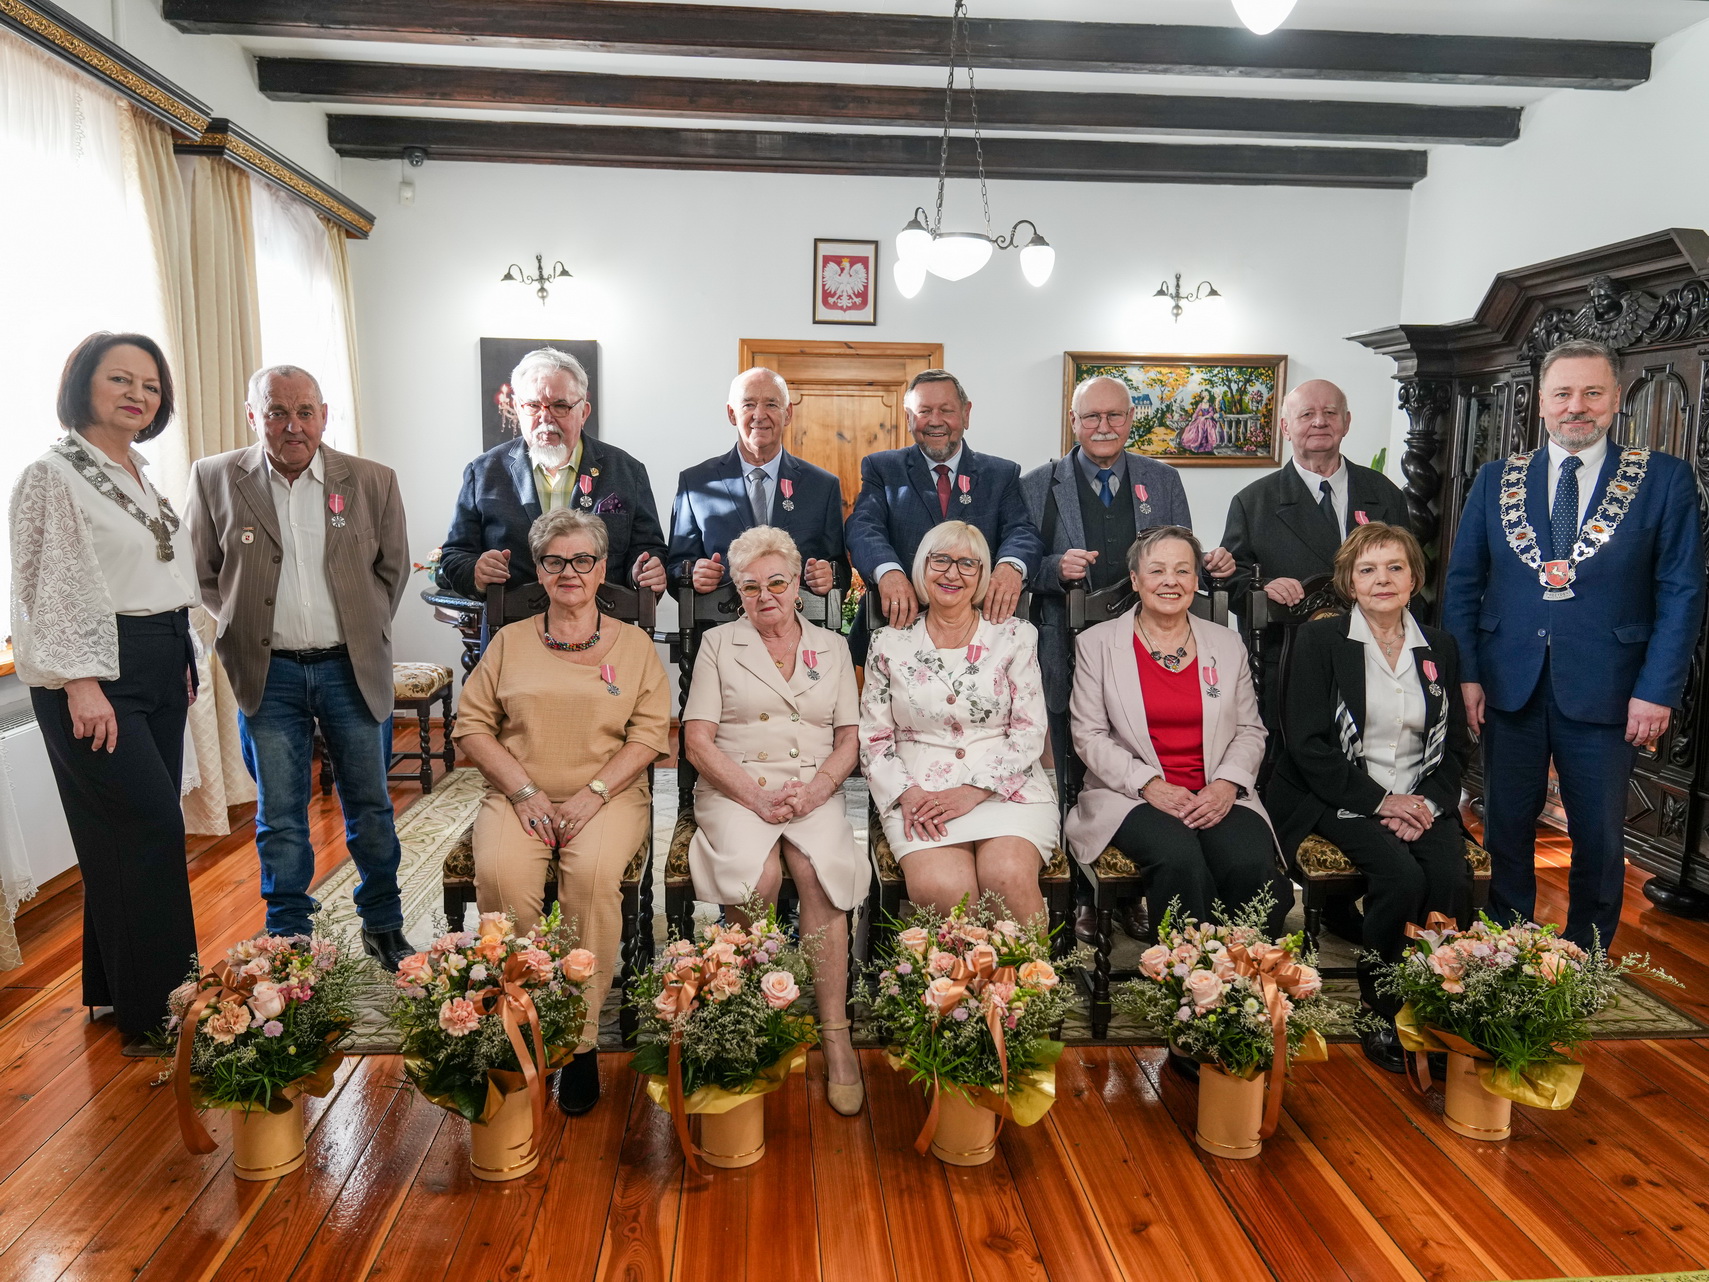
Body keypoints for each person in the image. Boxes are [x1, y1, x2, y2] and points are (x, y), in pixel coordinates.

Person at [1443, 338, 1705, 951]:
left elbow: (1683, 594)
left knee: (1600, 835)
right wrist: (1469, 675)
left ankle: (1586, 955)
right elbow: (1461, 586)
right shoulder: (1495, 480)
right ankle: (1504, 949)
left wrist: (1657, 689)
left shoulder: (1662, 480)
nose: (1576, 407)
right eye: (1563, 393)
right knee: (1505, 823)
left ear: (1617, 400)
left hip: (1613, 688)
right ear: (1541, 403)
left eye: (1591, 393)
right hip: (1510, 681)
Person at [187, 365, 416, 970]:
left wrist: (361, 629)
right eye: (277, 412)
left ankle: (383, 922)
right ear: (252, 416)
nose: (293, 426)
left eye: (305, 411)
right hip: (270, 674)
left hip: (351, 668)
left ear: (324, 413)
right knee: (281, 812)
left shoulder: (370, 480)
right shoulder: (215, 478)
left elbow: (392, 571)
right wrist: (247, 627)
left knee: (370, 804)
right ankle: (289, 936)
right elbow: (204, 572)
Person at [9, 332, 199, 1050]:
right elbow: (40, 587)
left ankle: (117, 990)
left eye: (149, 385)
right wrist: (82, 681)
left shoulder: (139, 473)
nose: (137, 394)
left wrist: (181, 652)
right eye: (119, 379)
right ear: (82, 384)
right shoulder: (51, 474)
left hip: (158, 659)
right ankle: (163, 1012)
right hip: (93, 670)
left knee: (122, 834)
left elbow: (159, 576)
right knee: (148, 828)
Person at [454, 509, 671, 1115]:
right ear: (541, 572)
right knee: (503, 878)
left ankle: (578, 1045)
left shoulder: (632, 646)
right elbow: (471, 726)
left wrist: (592, 794)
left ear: (602, 569)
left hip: (607, 796)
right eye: (554, 561)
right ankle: (520, 1027)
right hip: (518, 793)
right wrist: (523, 792)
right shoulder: (509, 642)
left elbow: (650, 734)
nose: (569, 571)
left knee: (593, 882)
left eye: (582, 560)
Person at [1021, 374, 1235, 940]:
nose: (1104, 427)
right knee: (1071, 766)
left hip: (1152, 643)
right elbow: (1016, 564)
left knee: (1146, 750)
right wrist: (1052, 568)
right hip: (1066, 648)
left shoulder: (1162, 479)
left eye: (1115, 416)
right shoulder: (1040, 483)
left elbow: (1179, 553)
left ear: (1130, 421)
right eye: (1092, 417)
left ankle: (1141, 890)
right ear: (1073, 422)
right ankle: (1084, 894)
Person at [1266, 523, 1470, 1071]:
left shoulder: (1440, 648)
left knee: (1450, 876)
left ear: (1414, 579)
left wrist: (1425, 803)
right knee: (1402, 878)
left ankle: (1436, 1003)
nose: (1383, 580)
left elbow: (1455, 747)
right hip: (1335, 792)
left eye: (1395, 568)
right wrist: (1382, 802)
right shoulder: (1320, 641)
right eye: (1368, 570)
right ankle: (1381, 1009)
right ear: (1350, 583)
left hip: (1419, 793)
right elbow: (1306, 744)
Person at [680, 526, 867, 1115]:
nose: (766, 596)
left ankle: (834, 1033)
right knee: (755, 879)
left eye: (777, 583)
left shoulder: (832, 647)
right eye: (751, 586)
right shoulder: (718, 644)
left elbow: (849, 738)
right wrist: (756, 798)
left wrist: (818, 789)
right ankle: (753, 1019)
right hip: (737, 788)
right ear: (738, 591)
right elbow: (697, 741)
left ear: (797, 586)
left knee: (818, 873)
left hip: (813, 786)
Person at [1221, 377, 1409, 941]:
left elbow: (1408, 578)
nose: (1319, 423)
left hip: (1377, 672)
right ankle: (1277, 893)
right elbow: (1230, 583)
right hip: (1291, 675)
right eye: (1306, 415)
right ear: (1286, 427)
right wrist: (1259, 586)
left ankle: (1358, 899)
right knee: (1299, 774)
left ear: (1347, 423)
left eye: (1331, 413)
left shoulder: (1384, 494)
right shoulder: (1253, 501)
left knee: (1371, 768)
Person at [1064, 526, 1291, 939]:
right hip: (1129, 795)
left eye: (1183, 570)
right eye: (1157, 570)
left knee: (1249, 865)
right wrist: (1151, 785)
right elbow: (1089, 735)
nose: (1171, 581)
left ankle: (1245, 974)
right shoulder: (1098, 644)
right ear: (1135, 579)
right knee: (1179, 858)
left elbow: (1249, 730)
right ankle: (1188, 976)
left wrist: (1225, 786)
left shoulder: (1226, 644)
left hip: (1217, 793)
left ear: (1195, 581)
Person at [860, 521, 1057, 923]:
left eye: (968, 564)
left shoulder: (1017, 636)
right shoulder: (887, 643)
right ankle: (953, 987)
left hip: (1007, 789)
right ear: (922, 567)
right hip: (921, 795)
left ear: (984, 575)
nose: (952, 573)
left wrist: (973, 790)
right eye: (941, 560)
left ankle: (1026, 986)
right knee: (945, 889)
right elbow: (874, 739)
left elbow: (1029, 729)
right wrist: (909, 795)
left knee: (1007, 876)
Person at [438, 347, 667, 599]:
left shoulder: (626, 471)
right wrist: (476, 573)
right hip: (511, 627)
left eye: (560, 406)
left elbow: (649, 551)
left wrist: (643, 573)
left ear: (584, 412)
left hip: (603, 625)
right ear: (517, 407)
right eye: (533, 406)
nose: (545, 418)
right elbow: (455, 556)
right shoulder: (483, 472)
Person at [845, 369, 1041, 650]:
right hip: (895, 629)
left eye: (946, 410)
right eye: (924, 411)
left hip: (981, 635)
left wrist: (1011, 566)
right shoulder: (882, 468)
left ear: (966, 414)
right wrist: (888, 572)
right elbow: (863, 527)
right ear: (909, 418)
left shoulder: (1001, 474)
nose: (935, 422)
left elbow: (1022, 531)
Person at [667, 368, 845, 597]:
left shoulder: (822, 486)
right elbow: (674, 569)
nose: (759, 415)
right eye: (748, 404)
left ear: (788, 413)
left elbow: (839, 571)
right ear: (732, 414)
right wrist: (691, 575)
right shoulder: (696, 484)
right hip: (720, 625)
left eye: (771, 404)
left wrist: (828, 577)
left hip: (798, 624)